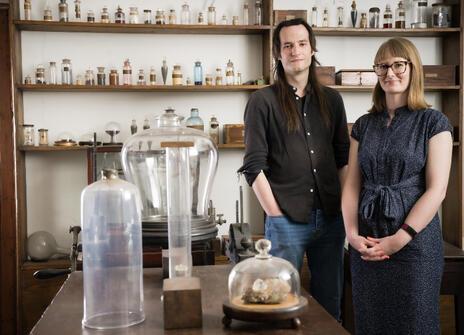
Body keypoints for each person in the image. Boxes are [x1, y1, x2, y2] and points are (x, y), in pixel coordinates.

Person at [238, 18, 349, 320]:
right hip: (286, 220)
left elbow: (343, 159)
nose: (295, 51)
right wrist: (276, 214)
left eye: (302, 44)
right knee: (279, 305)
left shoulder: (333, 101)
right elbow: (253, 166)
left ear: (313, 49)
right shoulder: (262, 101)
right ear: (278, 53)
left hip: (330, 218)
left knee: (331, 304)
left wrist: (342, 207)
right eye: (288, 45)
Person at [342, 37, 453, 334]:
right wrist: (351, 235)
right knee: (370, 324)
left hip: (414, 246)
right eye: (382, 66)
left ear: (413, 68)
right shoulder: (364, 125)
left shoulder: (434, 122)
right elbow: (352, 186)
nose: (390, 73)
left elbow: (437, 190)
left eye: (398, 65)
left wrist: (400, 239)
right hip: (366, 243)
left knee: (415, 323)